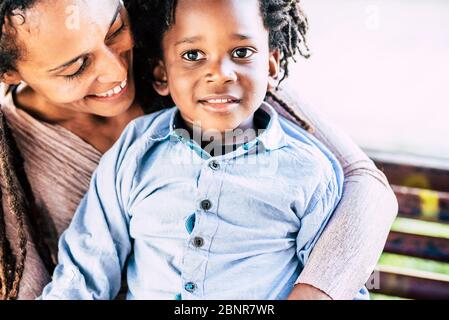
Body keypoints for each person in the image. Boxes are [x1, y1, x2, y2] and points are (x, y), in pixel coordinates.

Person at [0, 0, 397, 300]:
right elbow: (73, 275)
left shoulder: (220, 67)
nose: (117, 71)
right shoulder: (131, 152)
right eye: (75, 66)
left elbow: (366, 188)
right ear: (8, 74)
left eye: (115, 31)